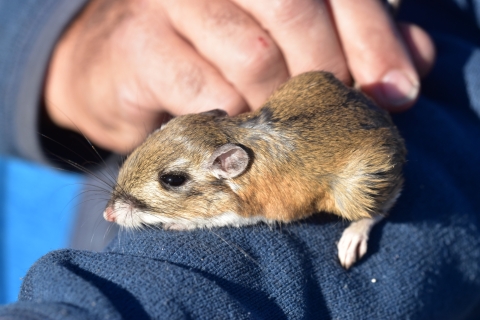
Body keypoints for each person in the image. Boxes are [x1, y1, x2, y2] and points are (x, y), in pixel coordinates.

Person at [0, 0, 479, 318]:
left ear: (230, 164)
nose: (115, 210)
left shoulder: (254, 189)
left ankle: (370, 218)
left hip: (366, 153)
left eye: (171, 180)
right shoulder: (217, 144)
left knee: (359, 188)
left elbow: (259, 220)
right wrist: (49, 47)